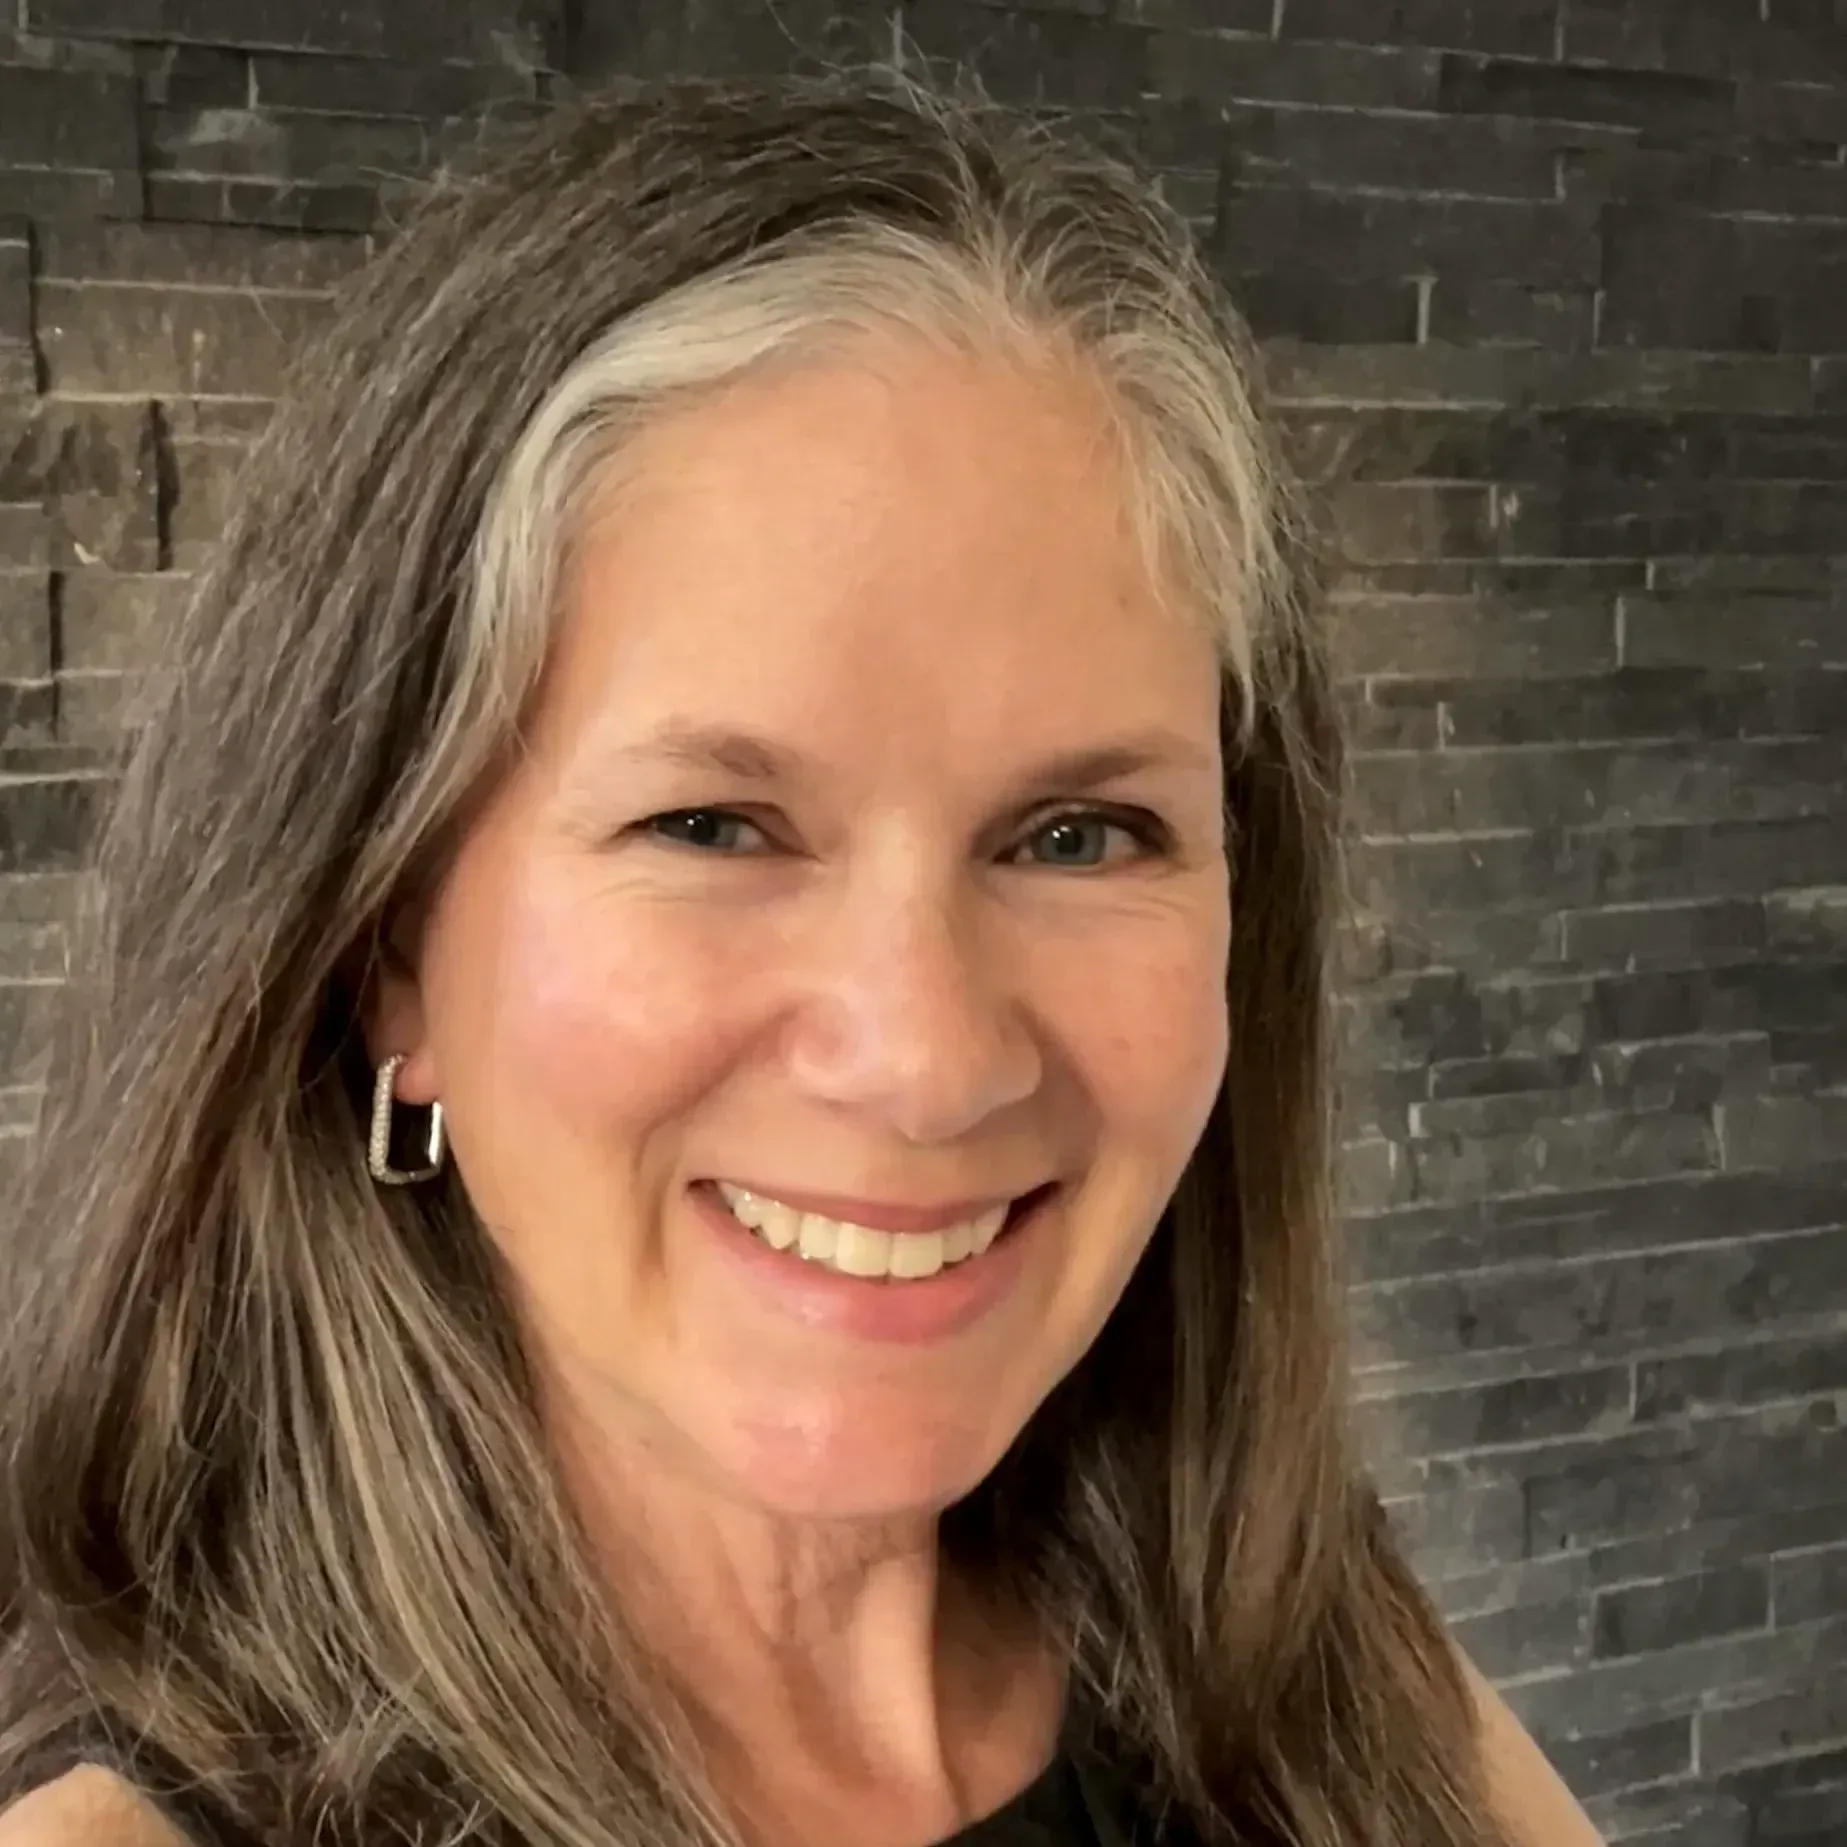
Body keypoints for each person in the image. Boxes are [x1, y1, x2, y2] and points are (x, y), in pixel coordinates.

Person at [0, 68, 1604, 1847]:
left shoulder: (1339, 1697)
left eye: (1077, 836)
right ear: (388, 954)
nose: (924, 1056)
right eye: (711, 826)